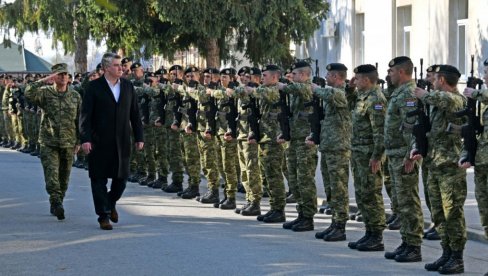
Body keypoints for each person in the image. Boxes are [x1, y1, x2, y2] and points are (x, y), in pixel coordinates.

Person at [412, 64, 466, 274]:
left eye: (434, 79)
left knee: (452, 213)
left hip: (450, 167)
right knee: (438, 214)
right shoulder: (435, 102)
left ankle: (457, 258)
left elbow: (447, 100)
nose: (431, 82)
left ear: (442, 80)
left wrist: (424, 94)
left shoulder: (455, 99)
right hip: (434, 164)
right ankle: (446, 252)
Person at [79, 53, 144, 230]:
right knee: (98, 179)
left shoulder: (128, 86)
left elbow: (135, 114)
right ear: (106, 68)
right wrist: (85, 139)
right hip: (99, 140)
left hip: (122, 140)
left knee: (121, 179)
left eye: (121, 65)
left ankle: (110, 202)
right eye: (116, 65)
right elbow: (85, 116)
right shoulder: (94, 87)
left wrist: (139, 137)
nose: (120, 68)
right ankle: (103, 216)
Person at [24, 63, 82, 220]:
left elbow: (80, 120)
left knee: (64, 177)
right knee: (52, 175)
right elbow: (28, 92)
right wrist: (45, 80)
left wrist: (79, 141)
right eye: (59, 74)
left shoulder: (75, 96)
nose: (63, 77)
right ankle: (56, 202)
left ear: (69, 77)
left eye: (65, 74)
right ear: (54, 77)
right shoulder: (45, 94)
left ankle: (58, 201)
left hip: (69, 142)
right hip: (49, 141)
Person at [383, 56, 423, 263]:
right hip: (394, 154)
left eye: (391, 72)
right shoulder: (397, 92)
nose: (388, 75)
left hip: (403, 155)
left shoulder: (408, 93)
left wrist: (410, 155)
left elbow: (412, 127)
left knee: (408, 201)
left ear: (400, 72)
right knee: (400, 202)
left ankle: (414, 246)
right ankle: (406, 241)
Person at [346, 64, 387, 251]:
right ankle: (369, 232)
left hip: (369, 154)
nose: (355, 81)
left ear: (367, 80)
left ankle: (376, 235)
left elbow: (380, 132)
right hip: (358, 153)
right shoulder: (362, 97)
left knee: (371, 194)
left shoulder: (375, 99)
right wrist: (350, 88)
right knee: (362, 194)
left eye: (358, 78)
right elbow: (348, 104)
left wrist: (377, 156)